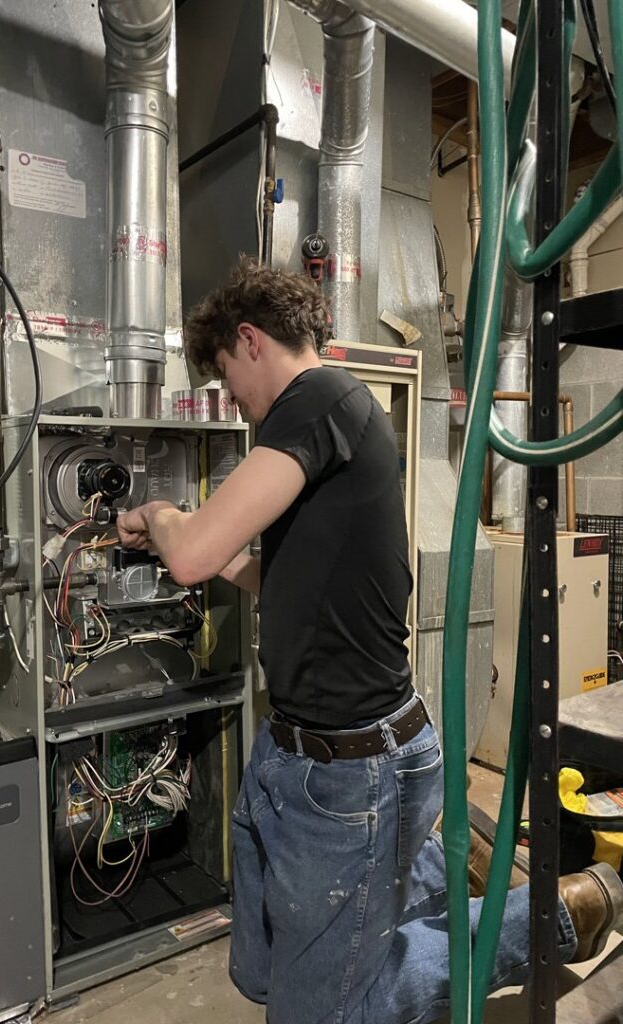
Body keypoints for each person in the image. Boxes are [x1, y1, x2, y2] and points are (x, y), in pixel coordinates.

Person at [116, 258, 623, 1024]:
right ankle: (435, 880)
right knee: (260, 970)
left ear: (249, 340)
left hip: (353, 769)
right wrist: (194, 543)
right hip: (295, 755)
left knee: (324, 1010)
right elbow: (267, 572)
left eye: (226, 379)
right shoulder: (321, 428)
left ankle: (558, 912)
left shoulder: (316, 400)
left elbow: (190, 556)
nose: (237, 403)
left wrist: (162, 516)